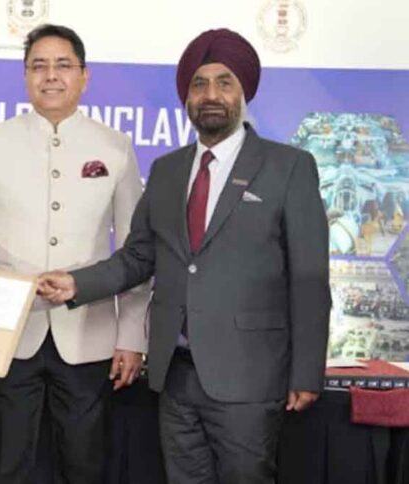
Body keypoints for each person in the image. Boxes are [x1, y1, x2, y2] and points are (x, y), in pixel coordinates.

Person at [38, 28, 331, 484]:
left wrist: (307, 371)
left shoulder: (288, 167)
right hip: (175, 376)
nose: (210, 95)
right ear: (186, 97)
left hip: (250, 378)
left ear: (243, 92)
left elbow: (309, 278)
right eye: (199, 84)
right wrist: (77, 283)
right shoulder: (167, 170)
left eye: (224, 83)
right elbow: (138, 256)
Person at [0, 24, 149, 483]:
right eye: (39, 66)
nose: (51, 76)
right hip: (8, 330)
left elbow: (135, 251)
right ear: (25, 76)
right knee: (4, 466)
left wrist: (132, 335)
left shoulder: (115, 147)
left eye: (63, 65)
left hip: (90, 333)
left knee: (84, 466)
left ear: (84, 76)